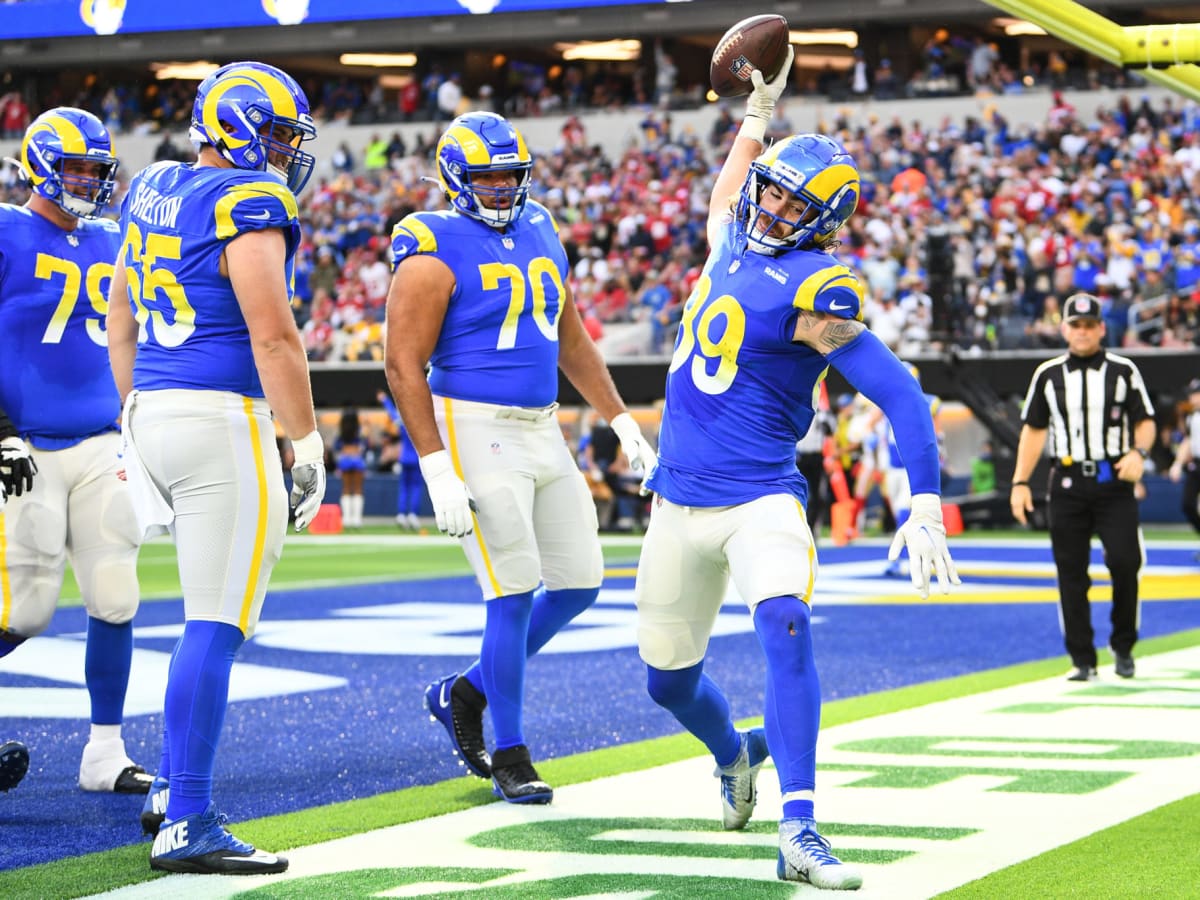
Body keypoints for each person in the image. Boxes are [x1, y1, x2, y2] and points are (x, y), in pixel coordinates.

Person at [633, 50, 959, 892]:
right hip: (675, 501)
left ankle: (801, 824)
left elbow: (904, 396)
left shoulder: (821, 289)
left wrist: (925, 499)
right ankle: (735, 753)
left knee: (785, 623)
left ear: (826, 221)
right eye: (769, 190)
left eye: (791, 200)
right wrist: (757, 114)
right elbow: (731, 182)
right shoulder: (726, 244)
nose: (771, 205)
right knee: (667, 681)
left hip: (759, 498)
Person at [384, 110, 656, 804]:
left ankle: (466, 690)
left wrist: (621, 420)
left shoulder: (539, 227)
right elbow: (401, 364)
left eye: (511, 176)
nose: (503, 189)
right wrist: (435, 463)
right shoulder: (431, 241)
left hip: (542, 425)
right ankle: (510, 751)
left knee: (579, 581)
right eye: (487, 178)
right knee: (510, 591)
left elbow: (569, 337)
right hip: (473, 423)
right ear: (454, 179)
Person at [106, 61, 325, 875]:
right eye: (271, 134)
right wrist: (305, 443)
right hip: (222, 419)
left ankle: (169, 790)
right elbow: (274, 336)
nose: (281, 152)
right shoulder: (249, 201)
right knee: (216, 621)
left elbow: (119, 312)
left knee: (206, 613)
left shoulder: (157, 184)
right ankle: (187, 818)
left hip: (158, 410)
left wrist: (134, 410)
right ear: (232, 124)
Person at [0, 107, 153, 796]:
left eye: (98, 169)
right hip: (22, 444)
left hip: (101, 441)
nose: (90, 181)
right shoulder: (5, 230)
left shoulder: (115, 237)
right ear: (38, 165)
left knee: (115, 594)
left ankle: (104, 752)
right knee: (23, 610)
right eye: (77, 168)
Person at [1011, 292, 1156, 682]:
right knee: (1071, 572)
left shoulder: (1124, 371)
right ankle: (1082, 659)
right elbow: (1034, 431)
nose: (1082, 332)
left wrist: (1139, 453)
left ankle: (1123, 646)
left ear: (1101, 328)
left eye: (1090, 324)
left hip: (1114, 483)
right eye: (1076, 325)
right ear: (1064, 329)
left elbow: (1145, 420)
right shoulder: (1047, 374)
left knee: (1126, 562)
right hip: (1069, 482)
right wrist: (1020, 482)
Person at [378, 390, 424, 529]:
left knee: (404, 488)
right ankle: (413, 515)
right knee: (416, 487)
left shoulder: (402, 418)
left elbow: (392, 413)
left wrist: (385, 400)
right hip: (416, 458)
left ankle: (401, 514)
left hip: (404, 457)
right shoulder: (420, 420)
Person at [1167, 378, 1200, 555]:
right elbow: (1189, 440)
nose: (1193, 399)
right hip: (1196, 465)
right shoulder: (1192, 416)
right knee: (1188, 504)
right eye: (1192, 395)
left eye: (1197, 394)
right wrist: (1177, 464)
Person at [335, 406, 367, 529]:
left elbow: (337, 446)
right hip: (357, 459)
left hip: (345, 459)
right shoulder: (359, 430)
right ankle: (356, 519)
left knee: (346, 489)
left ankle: (347, 519)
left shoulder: (342, 430)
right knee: (358, 488)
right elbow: (365, 445)